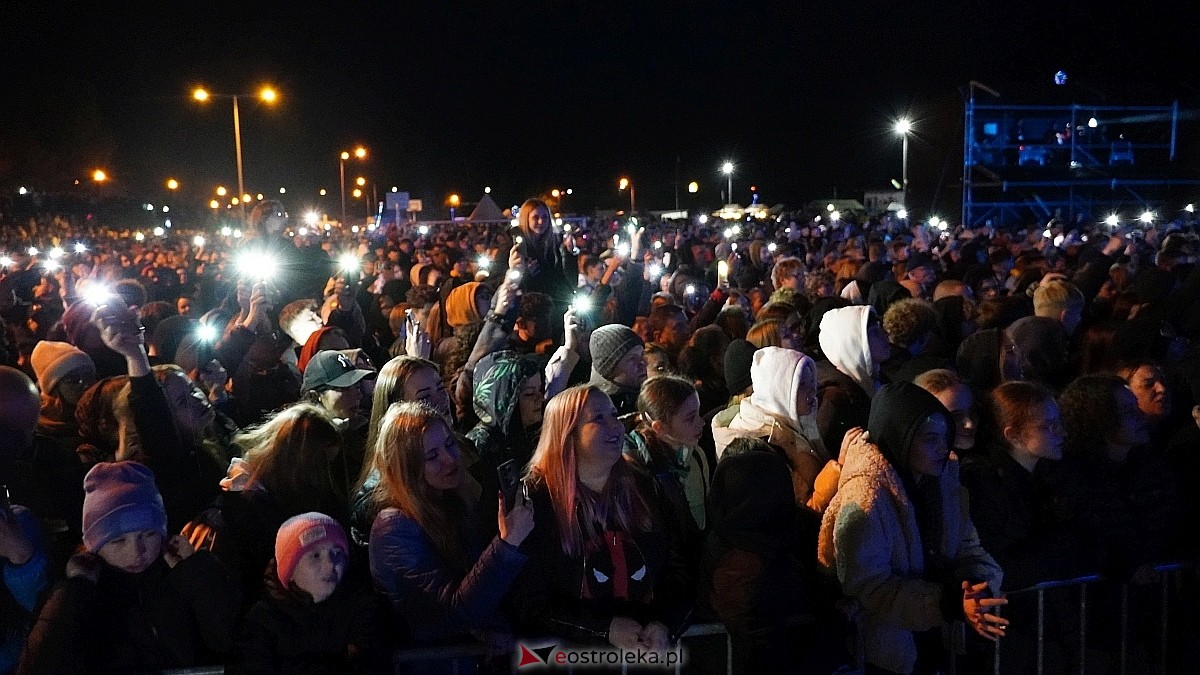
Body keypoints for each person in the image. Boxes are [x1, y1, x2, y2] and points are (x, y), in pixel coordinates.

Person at [818, 382, 1008, 675]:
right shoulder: (866, 497)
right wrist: (946, 602)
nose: (943, 448)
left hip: (933, 643)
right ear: (901, 438)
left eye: (944, 437)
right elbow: (869, 587)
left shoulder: (943, 483)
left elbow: (967, 547)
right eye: (930, 439)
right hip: (885, 656)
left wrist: (973, 586)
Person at [510, 384, 692, 650]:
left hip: (645, 655)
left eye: (614, 415)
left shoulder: (644, 485)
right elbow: (530, 601)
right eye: (598, 418)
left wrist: (665, 623)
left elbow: (679, 569)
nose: (616, 426)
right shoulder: (536, 500)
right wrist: (602, 629)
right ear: (566, 434)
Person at [19, 461, 240, 674]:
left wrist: (194, 571)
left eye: (149, 534)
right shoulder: (78, 593)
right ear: (95, 543)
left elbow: (226, 642)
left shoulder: (180, 577)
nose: (137, 552)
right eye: (117, 541)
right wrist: (76, 590)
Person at [366, 402, 531, 669]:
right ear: (407, 468)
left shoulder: (452, 503)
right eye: (431, 456)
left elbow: (475, 588)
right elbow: (455, 611)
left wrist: (492, 629)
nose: (450, 459)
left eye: (449, 444)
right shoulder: (394, 528)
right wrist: (507, 543)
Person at [228, 513, 385, 674]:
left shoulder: (361, 609)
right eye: (315, 556)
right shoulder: (261, 622)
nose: (331, 564)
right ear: (289, 568)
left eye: (337, 552)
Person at [713, 346, 838, 514]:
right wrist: (837, 470)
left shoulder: (788, 421)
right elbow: (796, 512)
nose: (812, 390)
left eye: (812, 382)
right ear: (779, 390)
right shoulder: (759, 445)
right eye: (801, 385)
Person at [624, 374, 711, 538]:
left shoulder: (695, 456)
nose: (701, 422)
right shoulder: (636, 470)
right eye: (690, 418)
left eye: (699, 413)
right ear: (659, 427)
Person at [587, 324, 647, 417]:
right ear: (610, 367)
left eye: (642, 355)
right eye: (632, 358)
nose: (643, 363)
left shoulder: (650, 395)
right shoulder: (594, 410)